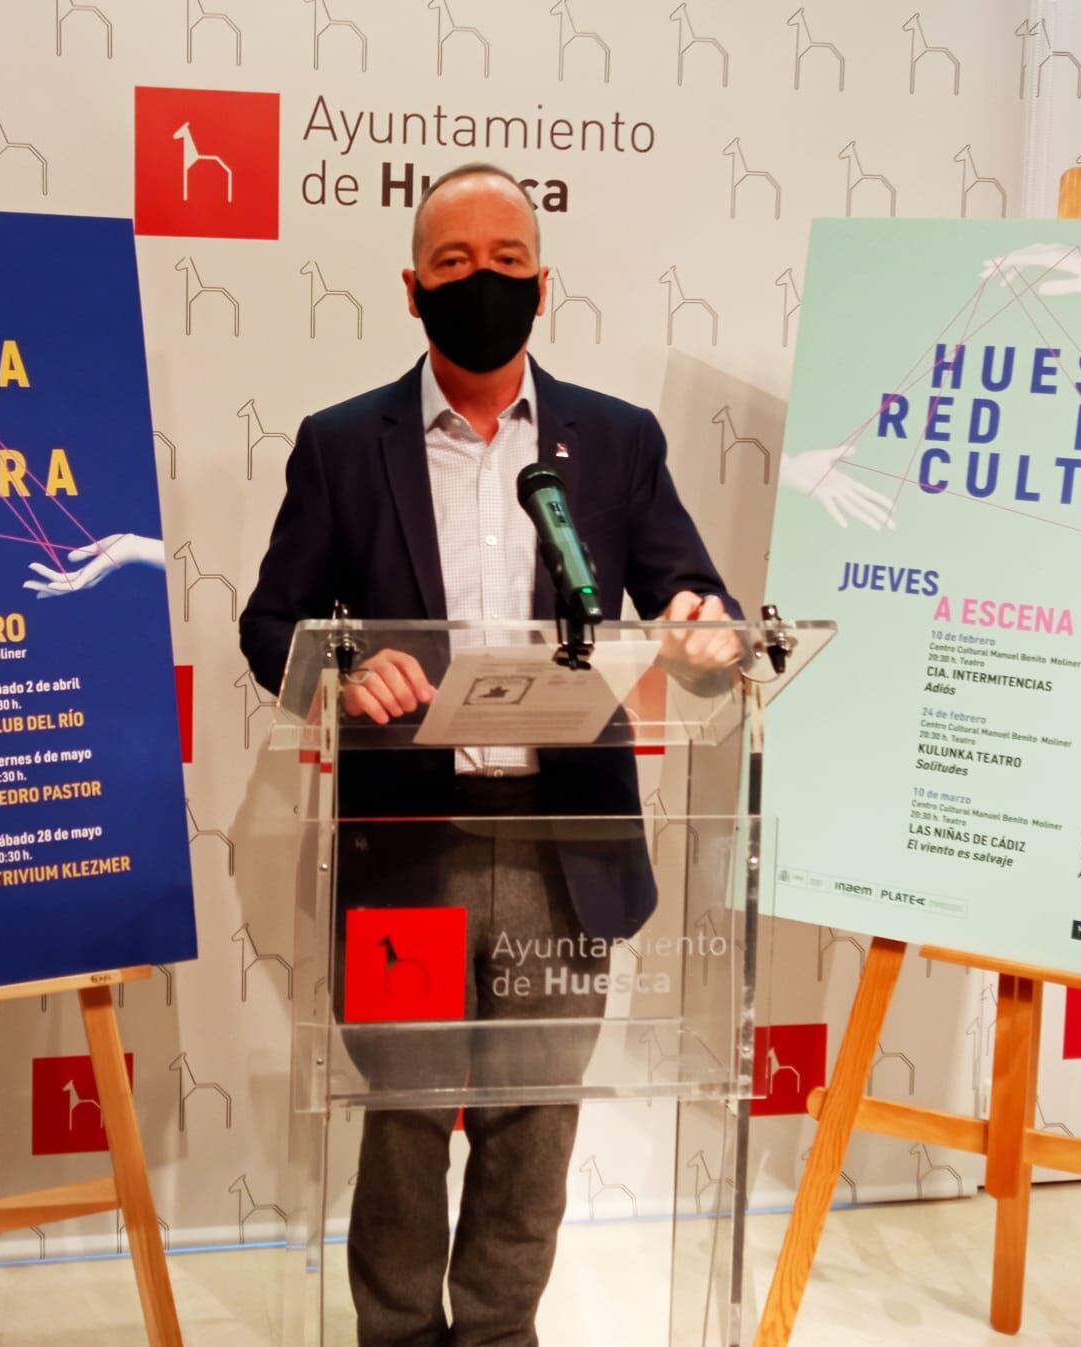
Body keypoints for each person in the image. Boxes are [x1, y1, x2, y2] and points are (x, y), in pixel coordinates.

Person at [238, 163, 741, 1347]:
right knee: (407, 1121)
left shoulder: (614, 441)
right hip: (409, 848)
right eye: (454, 263)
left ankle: (502, 1332)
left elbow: (694, 603)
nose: (483, 282)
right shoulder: (341, 445)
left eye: (507, 262)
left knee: (537, 1119)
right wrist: (340, 674)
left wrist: (704, 633)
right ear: (413, 289)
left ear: (543, 283)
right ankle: (398, 1335)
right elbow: (269, 627)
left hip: (570, 849)